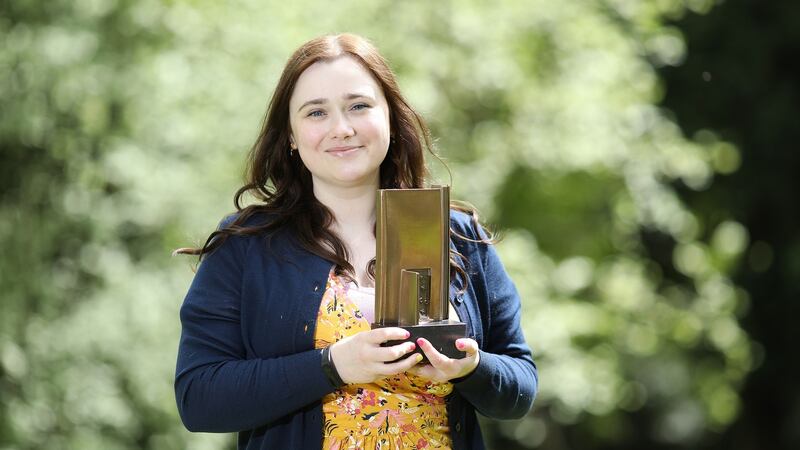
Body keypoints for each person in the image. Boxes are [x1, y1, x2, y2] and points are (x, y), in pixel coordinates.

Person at [174, 33, 537, 450]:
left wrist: (472, 369)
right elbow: (198, 398)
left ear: (390, 118)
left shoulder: (457, 234)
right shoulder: (248, 245)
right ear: (290, 136)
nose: (341, 129)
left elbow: (520, 386)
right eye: (316, 113)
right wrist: (334, 366)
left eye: (359, 106)